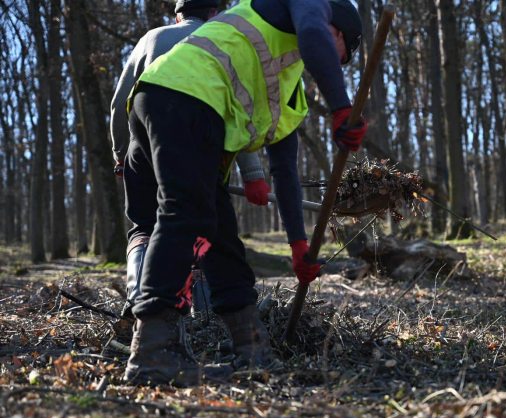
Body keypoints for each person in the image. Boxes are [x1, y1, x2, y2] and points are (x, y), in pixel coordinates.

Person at [123, 0, 368, 386]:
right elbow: (313, 34)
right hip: (184, 94)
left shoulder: (289, 89)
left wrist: (298, 245)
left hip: (171, 100)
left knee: (218, 232)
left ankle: (251, 347)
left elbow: (284, 173)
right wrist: (341, 106)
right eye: (344, 55)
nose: (339, 65)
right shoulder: (308, 7)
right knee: (185, 217)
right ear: (337, 30)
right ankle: (153, 352)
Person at [110, 0, 272, 320]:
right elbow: (240, 115)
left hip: (144, 142)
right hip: (199, 146)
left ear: (177, 16)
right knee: (199, 226)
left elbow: (119, 103)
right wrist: (253, 173)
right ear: (216, 14)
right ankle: (204, 313)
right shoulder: (223, 40)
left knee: (145, 226)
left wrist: (120, 154)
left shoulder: (152, 38)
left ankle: (138, 298)